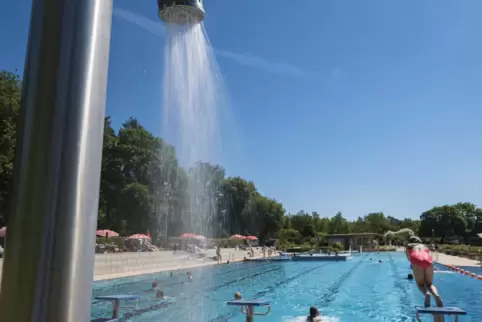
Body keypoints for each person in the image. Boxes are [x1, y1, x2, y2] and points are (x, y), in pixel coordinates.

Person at [405, 236, 443, 311]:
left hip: (416, 259)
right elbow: (426, 256)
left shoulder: (408, 247)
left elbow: (409, 259)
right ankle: (436, 295)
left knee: (420, 284)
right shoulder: (424, 246)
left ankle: (427, 294)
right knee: (429, 284)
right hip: (428, 260)